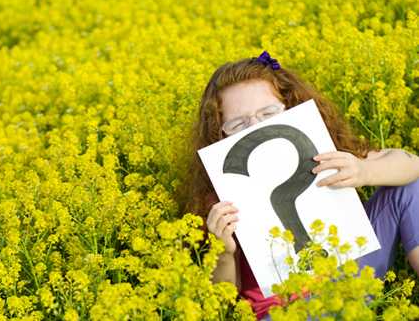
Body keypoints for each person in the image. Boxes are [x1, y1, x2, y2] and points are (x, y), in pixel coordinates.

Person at [178, 50, 419, 320]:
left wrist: (365, 170)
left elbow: (411, 164)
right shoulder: (221, 194)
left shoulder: (316, 147)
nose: (256, 126)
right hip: (285, 310)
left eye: (268, 112)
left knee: (409, 185)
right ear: (219, 133)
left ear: (289, 105)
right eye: (237, 123)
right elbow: (222, 300)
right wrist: (223, 251)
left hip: (354, 274)